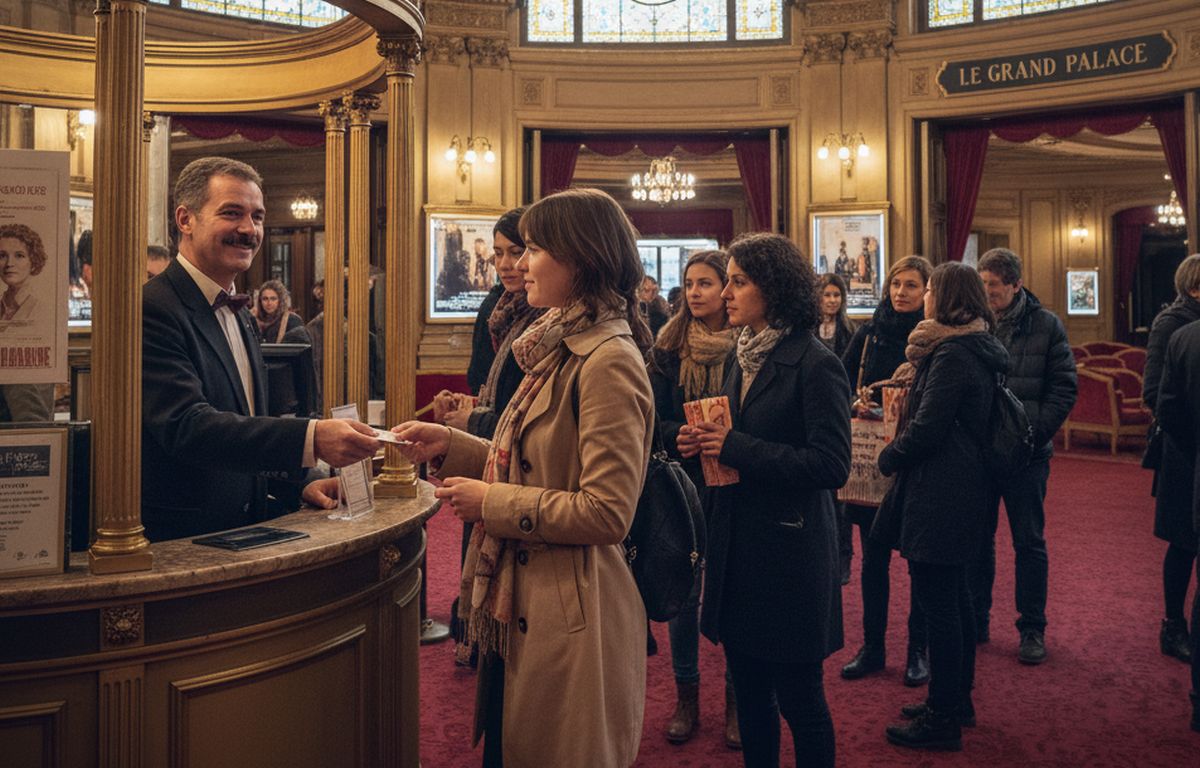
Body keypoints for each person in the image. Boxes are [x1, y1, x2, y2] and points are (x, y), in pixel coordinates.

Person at [393, 188, 653, 767]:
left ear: (577, 258)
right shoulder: (558, 345)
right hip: (531, 597)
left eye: (532, 249)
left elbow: (608, 511)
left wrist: (493, 501)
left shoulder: (608, 357)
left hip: (572, 608)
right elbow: (538, 456)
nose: (517, 263)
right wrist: (454, 445)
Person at [141, 156, 381, 542]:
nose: (248, 229)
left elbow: (247, 418)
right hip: (183, 539)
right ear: (185, 220)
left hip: (242, 529)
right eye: (232, 213)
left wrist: (297, 485)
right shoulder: (153, 307)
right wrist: (312, 438)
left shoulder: (241, 313)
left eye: (257, 216)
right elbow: (187, 427)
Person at [688, 233, 850, 768]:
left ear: (773, 289)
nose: (727, 294)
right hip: (740, 549)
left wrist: (737, 446)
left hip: (790, 553)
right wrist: (702, 445)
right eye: (727, 281)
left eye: (738, 282)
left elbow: (831, 465)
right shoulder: (743, 353)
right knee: (751, 696)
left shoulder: (815, 362)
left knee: (802, 702)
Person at [878, 262, 1008, 751]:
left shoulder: (952, 353)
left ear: (947, 298)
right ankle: (955, 700)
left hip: (943, 491)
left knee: (942, 608)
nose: (925, 295)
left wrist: (889, 457)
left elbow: (929, 428)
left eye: (929, 288)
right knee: (955, 602)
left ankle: (942, 717)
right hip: (962, 486)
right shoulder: (974, 345)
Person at [442, 207, 547, 665]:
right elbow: (481, 378)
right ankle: (475, 629)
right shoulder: (495, 305)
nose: (508, 264)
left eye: (519, 252)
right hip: (491, 447)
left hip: (525, 470)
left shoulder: (547, 317)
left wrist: (474, 422)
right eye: (500, 253)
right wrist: (470, 412)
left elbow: (525, 413)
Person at [648, 249, 739, 748]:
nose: (696, 291)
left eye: (706, 282)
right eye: (689, 283)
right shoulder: (667, 347)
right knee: (683, 594)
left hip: (734, 482)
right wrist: (674, 434)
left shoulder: (747, 345)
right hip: (681, 485)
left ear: (726, 288)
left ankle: (735, 704)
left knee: (732, 594)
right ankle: (687, 698)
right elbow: (651, 419)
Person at [970, 248, 1077, 664]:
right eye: (981, 286)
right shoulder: (972, 323)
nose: (986, 294)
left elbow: (1064, 388)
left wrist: (1032, 434)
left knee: (1028, 543)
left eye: (992, 288)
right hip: (979, 454)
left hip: (1028, 456)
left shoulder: (1046, 325)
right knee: (978, 543)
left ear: (1015, 285)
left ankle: (1032, 627)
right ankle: (977, 618)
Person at [840, 255, 933, 687]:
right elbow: (837, 385)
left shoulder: (934, 340)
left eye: (911, 286)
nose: (901, 293)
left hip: (916, 461)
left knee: (918, 564)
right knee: (872, 562)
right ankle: (873, 647)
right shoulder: (868, 333)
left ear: (927, 291)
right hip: (872, 463)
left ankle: (919, 650)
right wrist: (854, 404)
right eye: (896, 284)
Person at [1144, 253, 1200, 663]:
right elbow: (1156, 394)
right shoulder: (1172, 324)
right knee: (1183, 542)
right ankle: (1173, 625)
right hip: (1182, 451)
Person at [1155, 315, 1200, 733]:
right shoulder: (1179, 332)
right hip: (1185, 463)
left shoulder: (1184, 335)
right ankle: (1173, 622)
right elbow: (1161, 401)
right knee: (1183, 546)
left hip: (1188, 457)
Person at [816, 273, 856, 585]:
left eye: (836, 295)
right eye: (827, 295)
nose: (832, 300)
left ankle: (844, 554)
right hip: (815, 411)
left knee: (842, 496)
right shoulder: (806, 331)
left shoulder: (850, 331)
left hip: (845, 408)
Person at [0, 223, 46, 323]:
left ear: (33, 261)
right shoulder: (2, 303)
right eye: (2, 256)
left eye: (19, 256)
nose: (9, 263)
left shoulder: (42, 307)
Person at [254, 279, 305, 344]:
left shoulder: (292, 320)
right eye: (265, 299)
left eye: (273, 299)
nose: (269, 303)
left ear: (281, 300)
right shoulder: (254, 321)